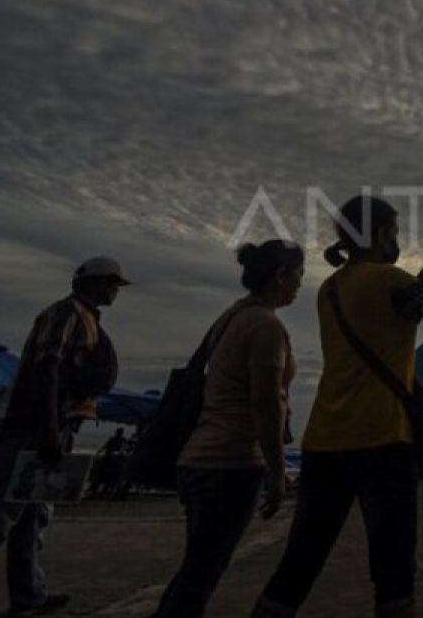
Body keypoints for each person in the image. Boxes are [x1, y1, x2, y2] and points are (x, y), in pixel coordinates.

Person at [252, 195, 423, 618]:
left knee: (299, 563)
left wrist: (421, 279)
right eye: (393, 231)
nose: (397, 239)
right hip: (382, 440)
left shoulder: (328, 289)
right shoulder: (391, 279)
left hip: (325, 441)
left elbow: (386, 317)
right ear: (381, 234)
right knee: (393, 575)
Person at [154, 240, 303, 617]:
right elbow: (267, 404)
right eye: (298, 276)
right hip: (230, 463)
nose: (300, 285)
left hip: (200, 459)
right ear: (281, 276)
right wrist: (277, 469)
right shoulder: (266, 326)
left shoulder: (230, 317)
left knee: (199, 567)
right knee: (201, 573)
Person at [0, 256, 124, 615]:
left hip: (56, 428)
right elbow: (47, 369)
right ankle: (27, 594)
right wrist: (47, 429)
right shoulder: (64, 314)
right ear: (93, 283)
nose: (114, 291)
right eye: (111, 284)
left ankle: (28, 595)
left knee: (33, 517)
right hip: (32, 429)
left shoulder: (87, 319)